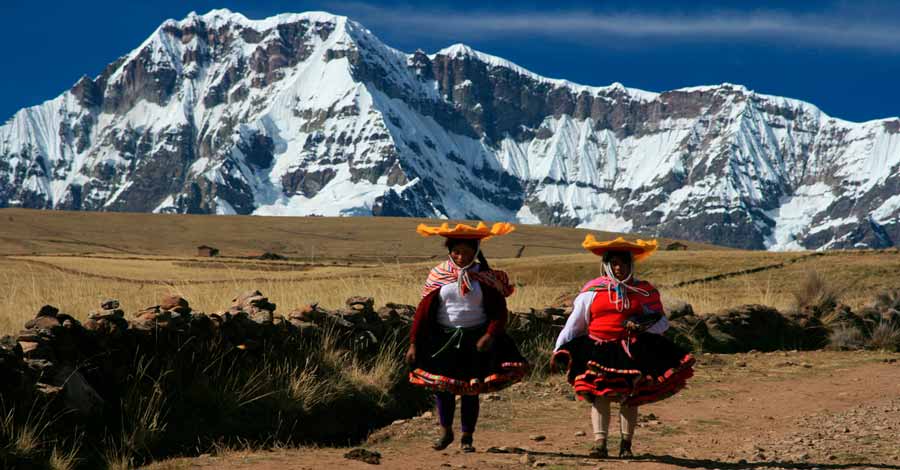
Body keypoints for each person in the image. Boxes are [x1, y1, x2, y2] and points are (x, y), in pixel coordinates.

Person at [552, 235, 695, 458]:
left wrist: (641, 326)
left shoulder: (644, 291)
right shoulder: (592, 291)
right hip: (597, 348)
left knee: (630, 394)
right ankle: (600, 444)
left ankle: (626, 446)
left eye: (624, 263)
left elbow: (661, 323)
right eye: (614, 263)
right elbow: (576, 323)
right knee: (600, 394)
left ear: (631, 265)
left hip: (632, 348)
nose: (619, 268)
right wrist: (558, 349)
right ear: (607, 265)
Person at [407, 222, 527, 452]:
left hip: (476, 342)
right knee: (443, 388)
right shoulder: (439, 275)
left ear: (476, 251)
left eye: (467, 252)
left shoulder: (485, 277)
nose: (461, 257)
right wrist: (414, 343)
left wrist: (490, 335)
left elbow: (499, 313)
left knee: (471, 390)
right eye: (456, 252)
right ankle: (445, 431)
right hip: (444, 340)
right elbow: (422, 313)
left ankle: (467, 438)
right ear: (450, 252)